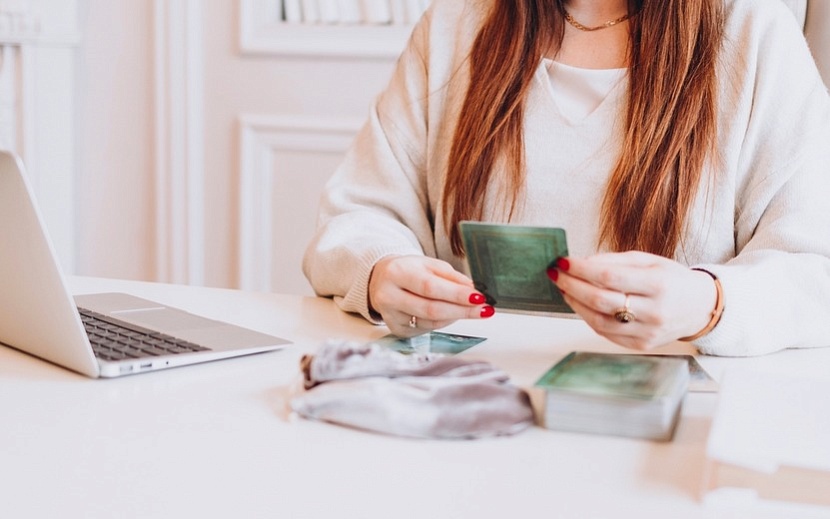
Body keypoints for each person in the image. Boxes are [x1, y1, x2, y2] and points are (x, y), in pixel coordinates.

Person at [303, 0, 830, 356]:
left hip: (676, 424)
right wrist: (382, 272)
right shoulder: (455, 23)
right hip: (472, 410)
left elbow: (815, 271)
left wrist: (708, 303)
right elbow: (359, 214)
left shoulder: (752, 31)